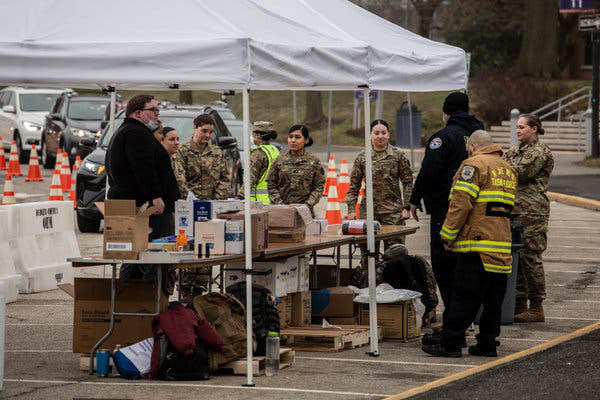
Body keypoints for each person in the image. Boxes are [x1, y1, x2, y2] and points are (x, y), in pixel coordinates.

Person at [422, 130, 517, 358]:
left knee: (464, 296)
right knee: (493, 300)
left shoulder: (473, 165)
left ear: (473, 147)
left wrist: (447, 234)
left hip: (476, 244)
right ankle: (487, 343)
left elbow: (461, 203)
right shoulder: (508, 169)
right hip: (501, 244)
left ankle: (450, 343)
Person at [408, 92, 484, 341]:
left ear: (446, 113)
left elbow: (429, 171)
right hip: (475, 211)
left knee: (444, 265)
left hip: (447, 209)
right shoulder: (476, 136)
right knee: (467, 267)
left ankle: (453, 322)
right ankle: (465, 319)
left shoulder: (443, 137)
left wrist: (414, 198)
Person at [105, 95, 180, 280]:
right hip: (146, 209)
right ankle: (146, 301)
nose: (157, 114)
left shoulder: (131, 131)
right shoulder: (135, 133)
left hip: (138, 205)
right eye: (153, 110)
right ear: (138, 113)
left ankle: (135, 300)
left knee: (136, 258)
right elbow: (144, 168)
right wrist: (155, 196)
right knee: (151, 259)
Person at [345, 119, 413, 287]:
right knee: (368, 254)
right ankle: (369, 288)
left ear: (389, 135)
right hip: (369, 213)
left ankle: (395, 288)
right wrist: (351, 210)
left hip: (393, 213)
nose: (380, 136)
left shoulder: (398, 155)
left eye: (383, 133)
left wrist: (407, 208)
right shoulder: (363, 157)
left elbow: (407, 182)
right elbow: (353, 186)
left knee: (395, 255)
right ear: (370, 136)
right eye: (376, 133)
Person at [503, 114, 554, 323]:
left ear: (534, 129)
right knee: (516, 258)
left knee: (530, 258)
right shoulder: (516, 151)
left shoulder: (539, 151)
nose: (518, 131)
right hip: (514, 210)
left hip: (533, 211)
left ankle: (536, 306)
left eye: (522, 127)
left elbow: (519, 173)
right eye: (517, 127)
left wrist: (501, 165)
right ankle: (517, 304)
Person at [266, 125, 325, 215]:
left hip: (305, 213)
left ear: (306, 140)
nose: (293, 140)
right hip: (281, 212)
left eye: (297, 137)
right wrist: (281, 205)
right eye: (290, 137)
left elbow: (318, 187)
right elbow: (271, 184)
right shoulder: (279, 160)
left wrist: (306, 205)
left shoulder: (313, 161)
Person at [174, 114, 230, 200]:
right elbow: (179, 178)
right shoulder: (182, 151)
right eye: (204, 131)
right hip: (190, 204)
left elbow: (225, 178)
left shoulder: (217, 152)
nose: (208, 135)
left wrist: (217, 198)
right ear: (195, 128)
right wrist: (190, 198)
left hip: (213, 203)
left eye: (211, 132)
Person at [246, 121, 279, 205]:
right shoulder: (274, 150)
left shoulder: (257, 153)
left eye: (253, 134)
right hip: (273, 199)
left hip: (258, 202)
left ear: (257, 135)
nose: (251, 137)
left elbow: (250, 178)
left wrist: (240, 196)